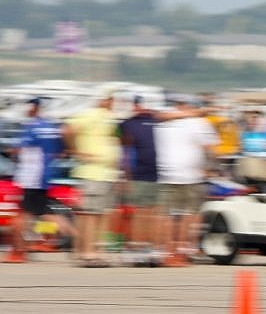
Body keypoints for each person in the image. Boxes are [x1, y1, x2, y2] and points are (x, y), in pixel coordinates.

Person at [4, 98, 75, 263]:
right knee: (40, 214)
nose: (27, 110)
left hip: (31, 178)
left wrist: (11, 152)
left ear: (35, 108)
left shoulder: (32, 127)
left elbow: (19, 149)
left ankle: (18, 252)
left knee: (25, 215)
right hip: (44, 177)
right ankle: (76, 240)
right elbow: (63, 152)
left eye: (28, 106)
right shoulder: (52, 127)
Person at [154, 93, 220, 266]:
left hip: (167, 173)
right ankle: (181, 253)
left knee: (167, 216)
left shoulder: (164, 123)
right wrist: (210, 168)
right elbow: (211, 149)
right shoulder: (198, 122)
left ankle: (167, 252)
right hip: (191, 175)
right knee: (188, 216)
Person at [63, 93, 121, 267]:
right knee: (90, 215)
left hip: (107, 173)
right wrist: (76, 151)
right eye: (110, 99)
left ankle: (86, 250)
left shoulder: (110, 118)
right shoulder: (90, 114)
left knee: (99, 214)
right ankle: (88, 253)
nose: (113, 103)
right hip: (93, 173)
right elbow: (67, 129)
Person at [118, 94, 160, 261]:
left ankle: (147, 246)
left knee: (152, 212)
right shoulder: (127, 124)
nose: (142, 108)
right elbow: (124, 151)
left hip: (156, 174)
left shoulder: (156, 122)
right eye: (139, 105)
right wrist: (125, 177)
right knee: (138, 212)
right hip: (137, 175)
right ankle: (136, 246)